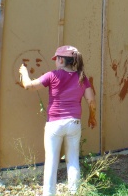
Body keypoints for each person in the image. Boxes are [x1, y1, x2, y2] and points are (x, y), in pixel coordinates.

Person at [19, 45, 97, 195]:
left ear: (61, 60)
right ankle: (75, 192)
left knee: (51, 162)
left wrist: (23, 73)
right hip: (74, 123)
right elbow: (91, 101)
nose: (55, 62)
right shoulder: (82, 77)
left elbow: (28, 86)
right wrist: (92, 117)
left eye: (56, 59)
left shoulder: (52, 75)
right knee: (73, 160)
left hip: (54, 124)